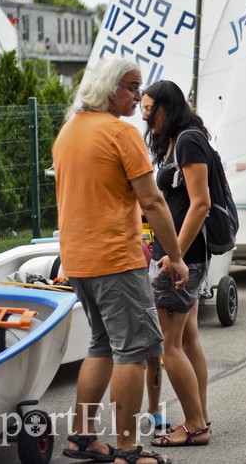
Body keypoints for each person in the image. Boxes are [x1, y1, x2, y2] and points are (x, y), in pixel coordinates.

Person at [54, 58, 184, 464]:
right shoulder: (120, 133)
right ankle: (128, 450)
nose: (136, 97)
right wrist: (175, 255)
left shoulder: (68, 131)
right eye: (130, 87)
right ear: (110, 89)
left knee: (101, 345)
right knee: (133, 350)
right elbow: (152, 200)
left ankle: (82, 437)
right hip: (115, 258)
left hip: (78, 259)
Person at [141, 80, 212, 447]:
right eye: (143, 106)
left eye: (151, 107)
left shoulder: (187, 139)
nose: (145, 113)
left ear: (169, 106)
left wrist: (176, 255)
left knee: (169, 347)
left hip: (183, 258)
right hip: (180, 255)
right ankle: (199, 416)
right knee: (188, 338)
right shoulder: (171, 142)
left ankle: (195, 425)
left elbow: (201, 203)